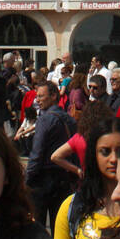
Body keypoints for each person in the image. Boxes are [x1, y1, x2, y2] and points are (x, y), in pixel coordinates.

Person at [25, 81, 76, 225]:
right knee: (59, 226)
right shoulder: (70, 120)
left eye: (41, 96)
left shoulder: (45, 120)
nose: (37, 100)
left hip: (43, 179)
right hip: (64, 178)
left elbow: (37, 154)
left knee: (38, 228)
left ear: (54, 96)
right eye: (37, 96)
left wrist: (26, 179)